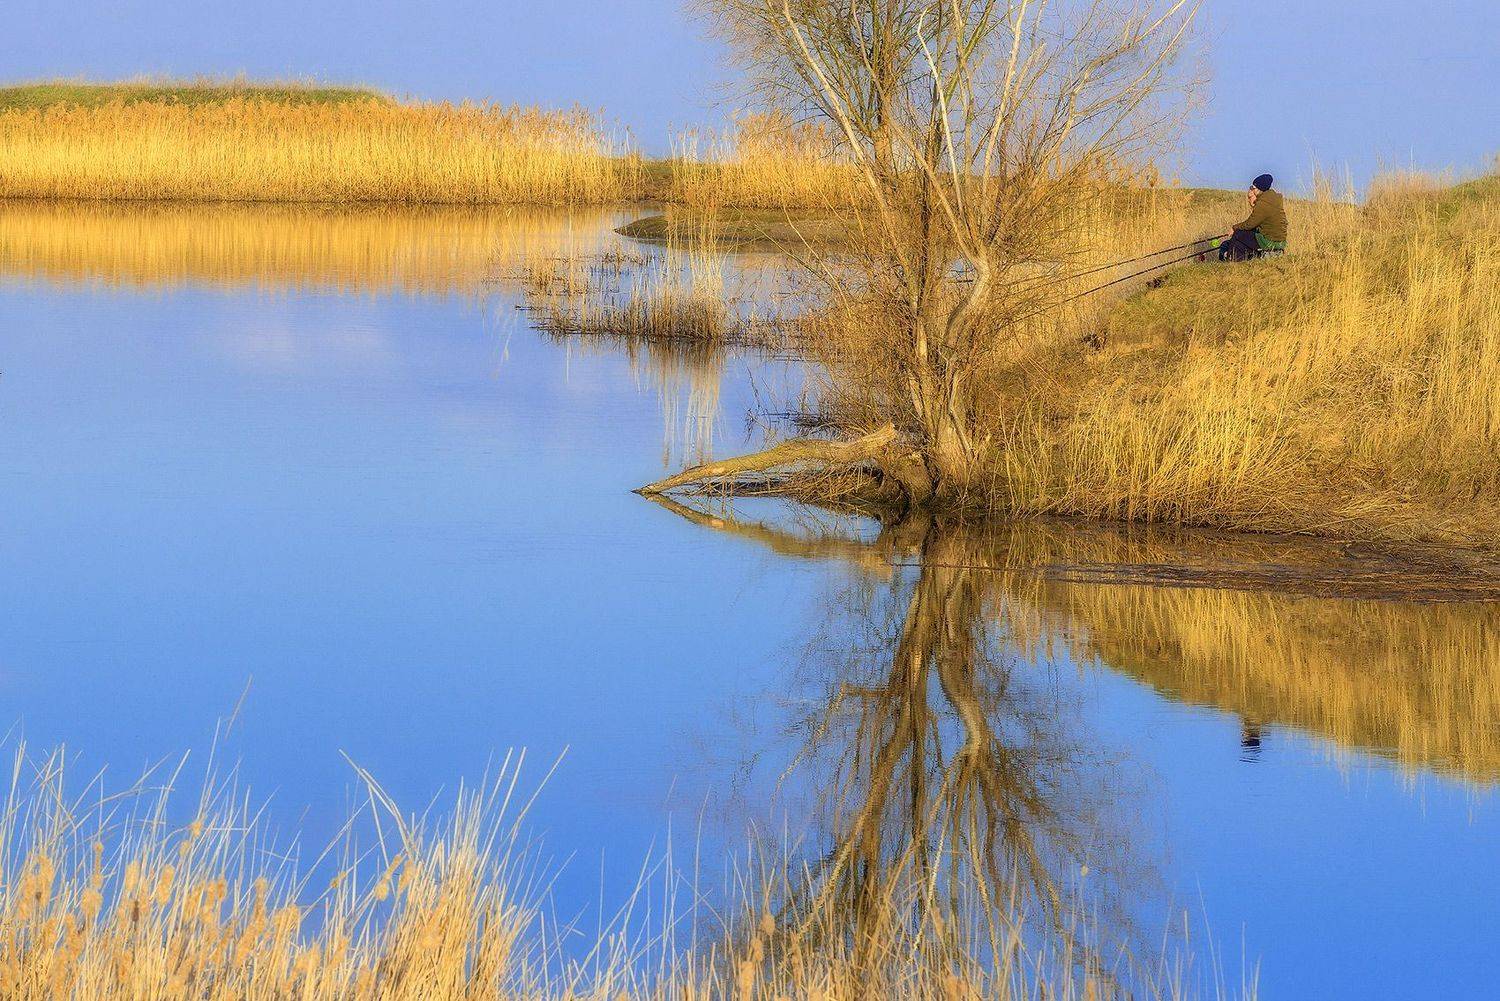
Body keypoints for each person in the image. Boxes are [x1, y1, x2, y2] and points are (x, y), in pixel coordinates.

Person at [1216, 173, 1288, 261]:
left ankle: (1232, 260)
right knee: (1246, 235)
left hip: (1269, 240)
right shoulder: (1273, 199)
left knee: (1239, 234)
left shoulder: (1263, 204)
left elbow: (1249, 224)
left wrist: (1234, 227)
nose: (1252, 190)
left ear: (1259, 189)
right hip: (1280, 240)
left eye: (1253, 188)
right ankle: (1238, 258)